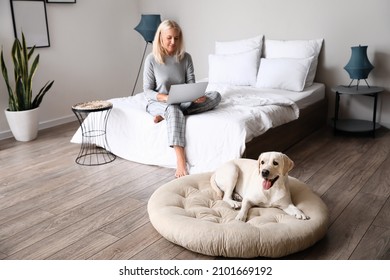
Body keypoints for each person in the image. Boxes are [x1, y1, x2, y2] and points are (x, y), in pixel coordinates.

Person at [143, 20, 221, 178]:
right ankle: (180, 161)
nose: (173, 42)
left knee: (216, 96)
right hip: (159, 102)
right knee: (173, 108)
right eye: (169, 38)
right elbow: (147, 91)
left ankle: (169, 116)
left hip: (182, 102)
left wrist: (196, 96)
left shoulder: (186, 58)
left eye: (177, 38)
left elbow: (191, 84)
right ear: (160, 38)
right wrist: (165, 97)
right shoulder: (151, 59)